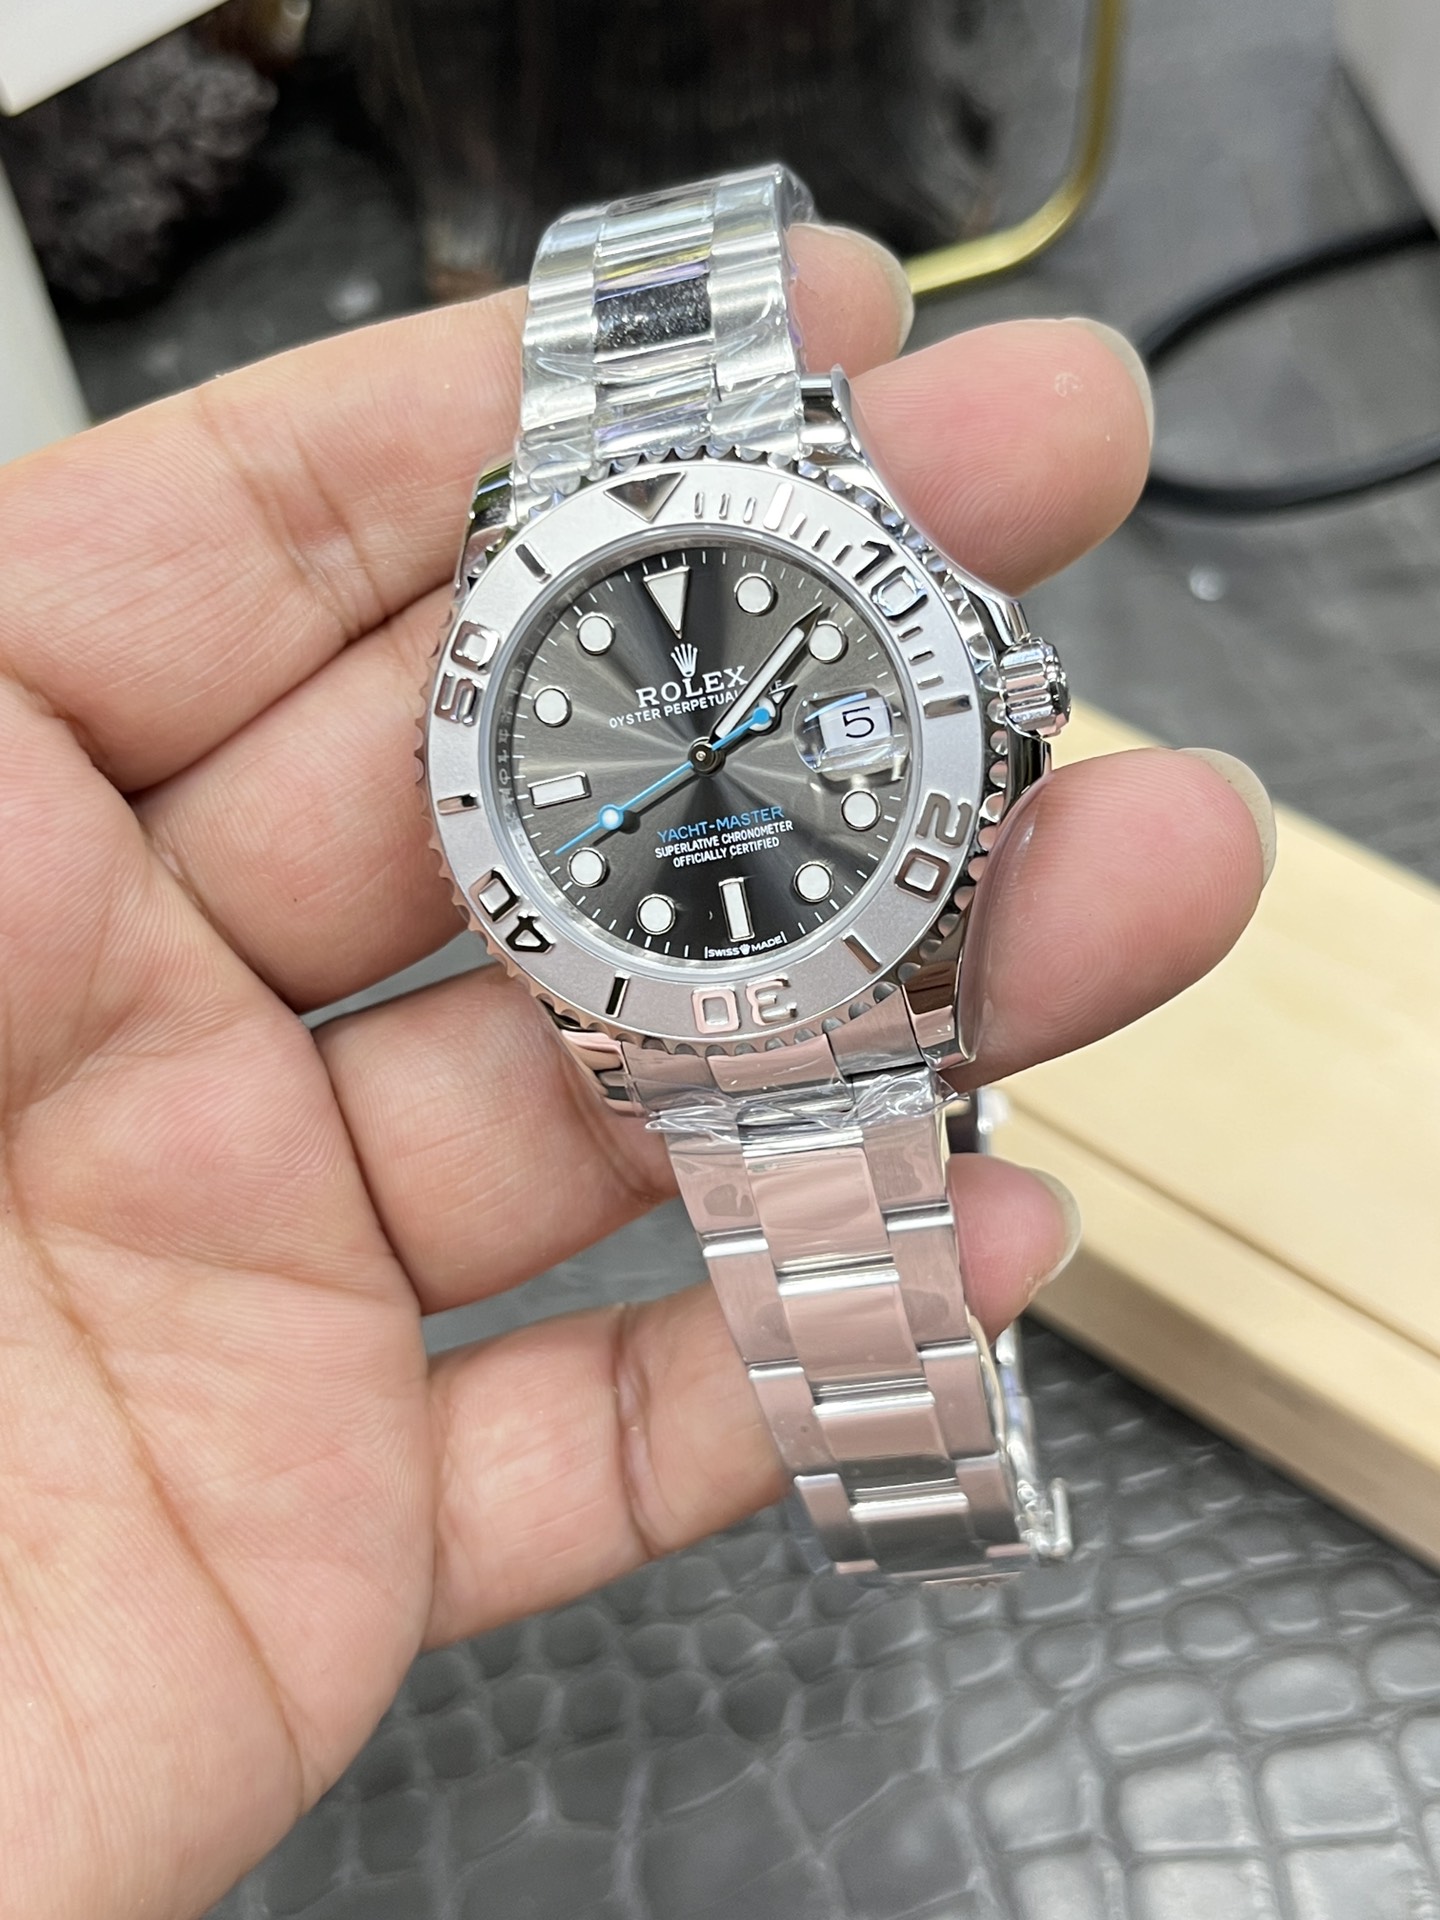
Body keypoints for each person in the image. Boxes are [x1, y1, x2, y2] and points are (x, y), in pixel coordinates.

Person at [0, 226, 1272, 1918]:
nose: (710, 754)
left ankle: (932, 1484)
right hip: (680, 985)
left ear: (1001, 687)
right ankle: (927, 1490)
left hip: (818, 961)